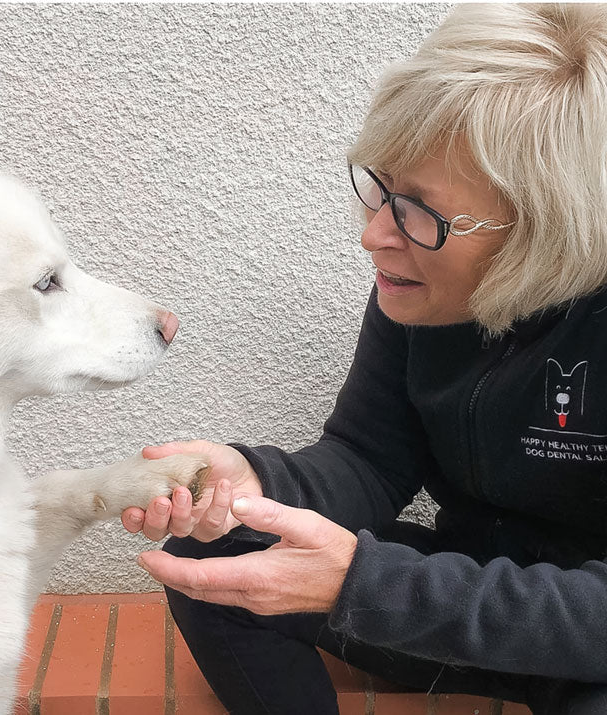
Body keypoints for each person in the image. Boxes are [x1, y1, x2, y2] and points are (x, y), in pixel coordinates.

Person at [121, 4, 607, 714]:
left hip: (586, 640)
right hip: (464, 591)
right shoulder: (421, 291)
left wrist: (370, 587)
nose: (375, 234)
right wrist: (254, 481)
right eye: (381, 187)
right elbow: (368, 459)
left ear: (544, 226)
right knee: (215, 555)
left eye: (419, 211)